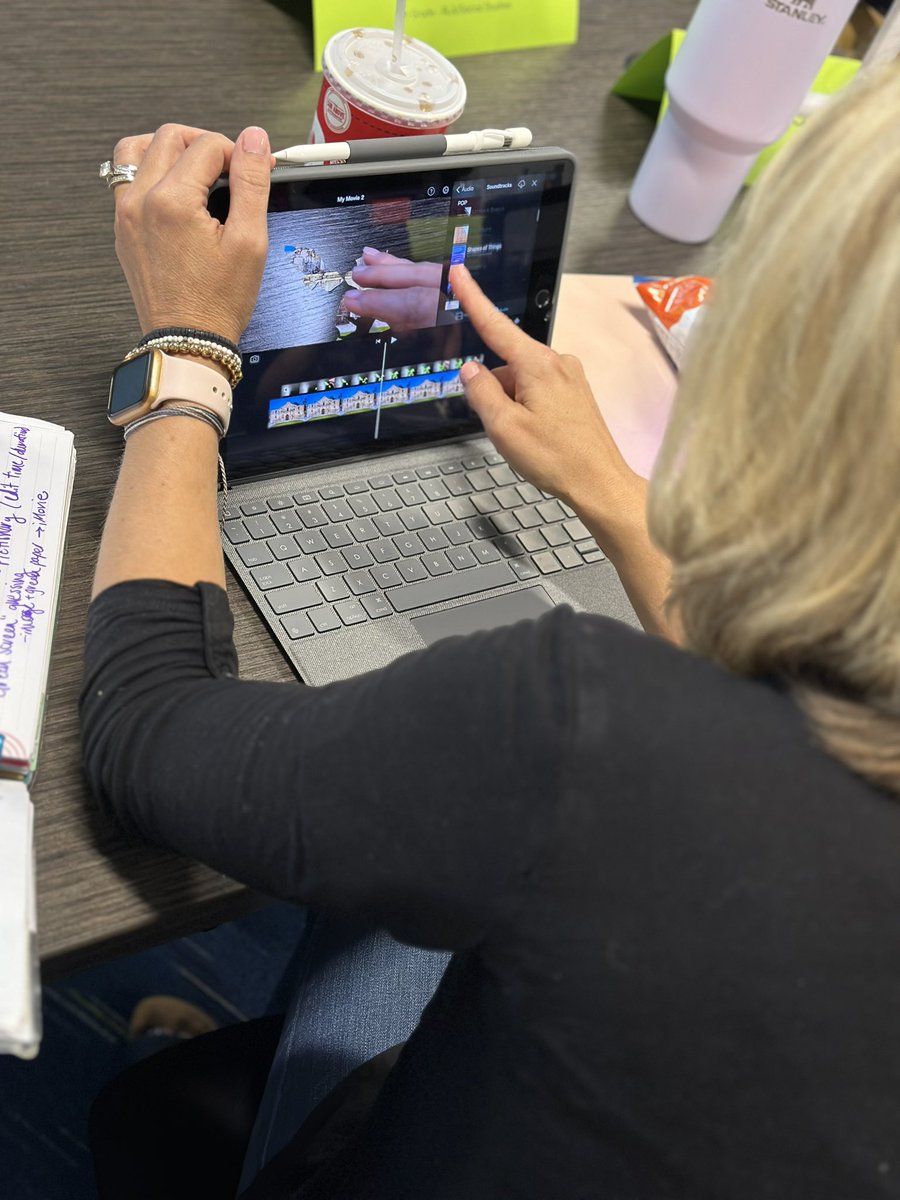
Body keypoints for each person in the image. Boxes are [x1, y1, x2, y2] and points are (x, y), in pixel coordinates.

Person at [81, 63, 900, 1200]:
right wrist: (614, 495)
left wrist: (186, 355)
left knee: (394, 873)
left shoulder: (577, 739)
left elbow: (144, 727)